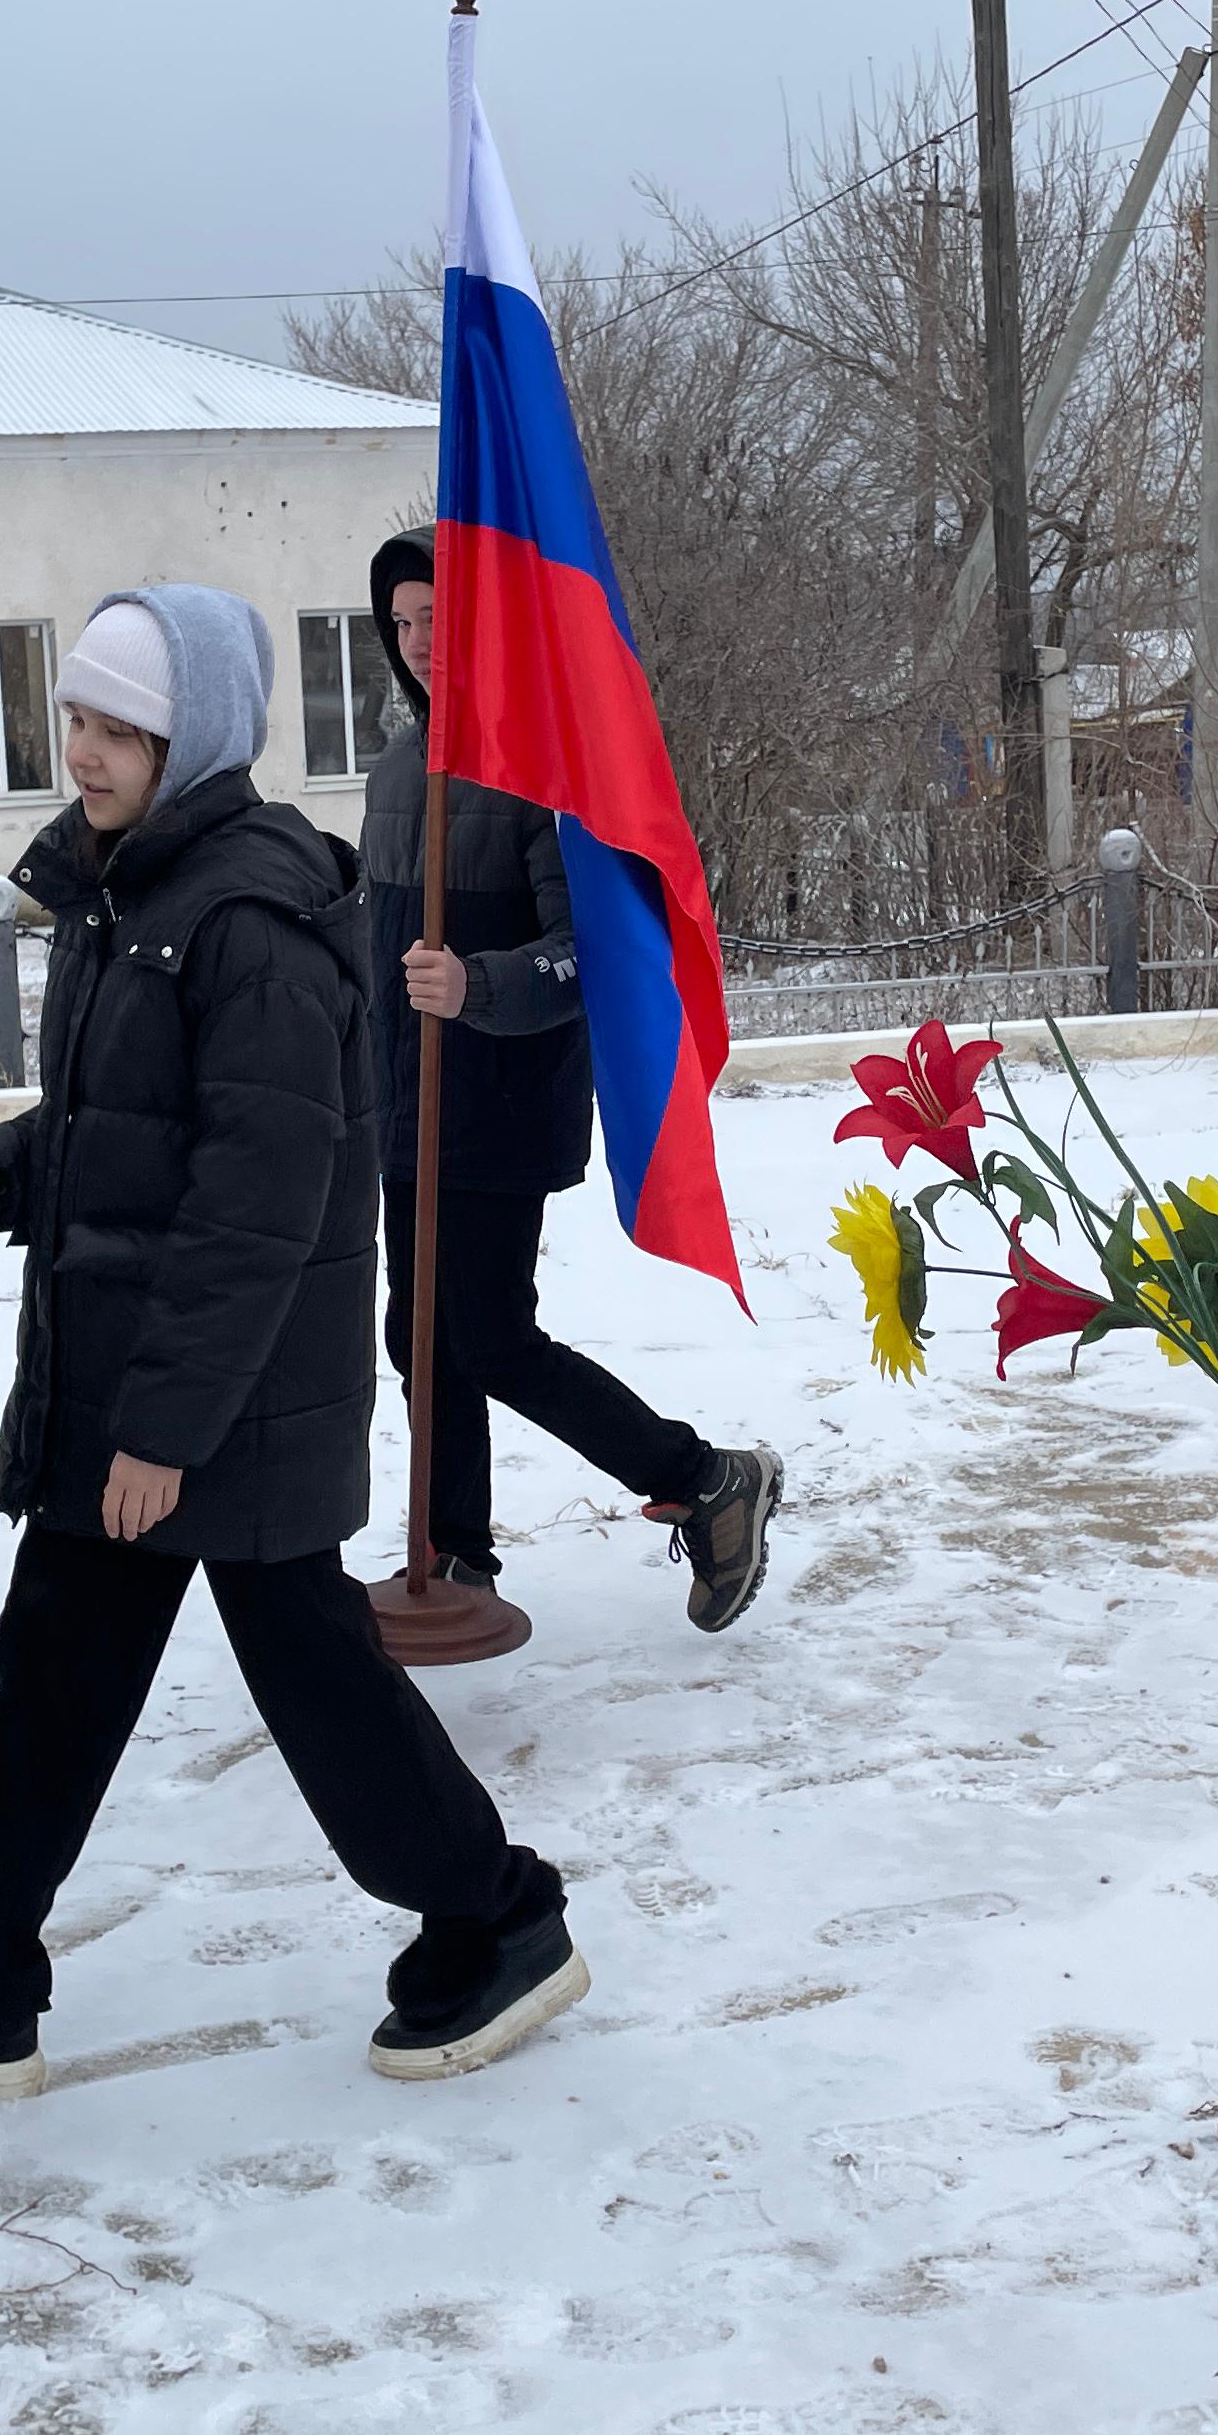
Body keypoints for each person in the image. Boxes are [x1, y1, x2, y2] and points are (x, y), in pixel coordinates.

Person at [0, 585, 587, 2117]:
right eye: (78, 720)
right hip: (157, 1386)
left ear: (198, 735)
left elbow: (256, 1199)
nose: (82, 752)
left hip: (210, 1402)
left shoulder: (249, 921)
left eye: (120, 728)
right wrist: (2, 1172)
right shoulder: (134, 892)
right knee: (75, 1690)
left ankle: (495, 1919)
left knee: (274, 1690)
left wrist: (158, 1433)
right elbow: (133, 1130)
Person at [359, 529, 781, 1627]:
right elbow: (382, 947)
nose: (413, 643)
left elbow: (589, 949)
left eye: (435, 622)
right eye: (399, 624)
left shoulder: (543, 768)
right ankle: (458, 1558)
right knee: (421, 1335)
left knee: (485, 1335)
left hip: (499, 1101)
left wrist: (479, 985)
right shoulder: (401, 770)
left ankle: (702, 1477)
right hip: (408, 1105)